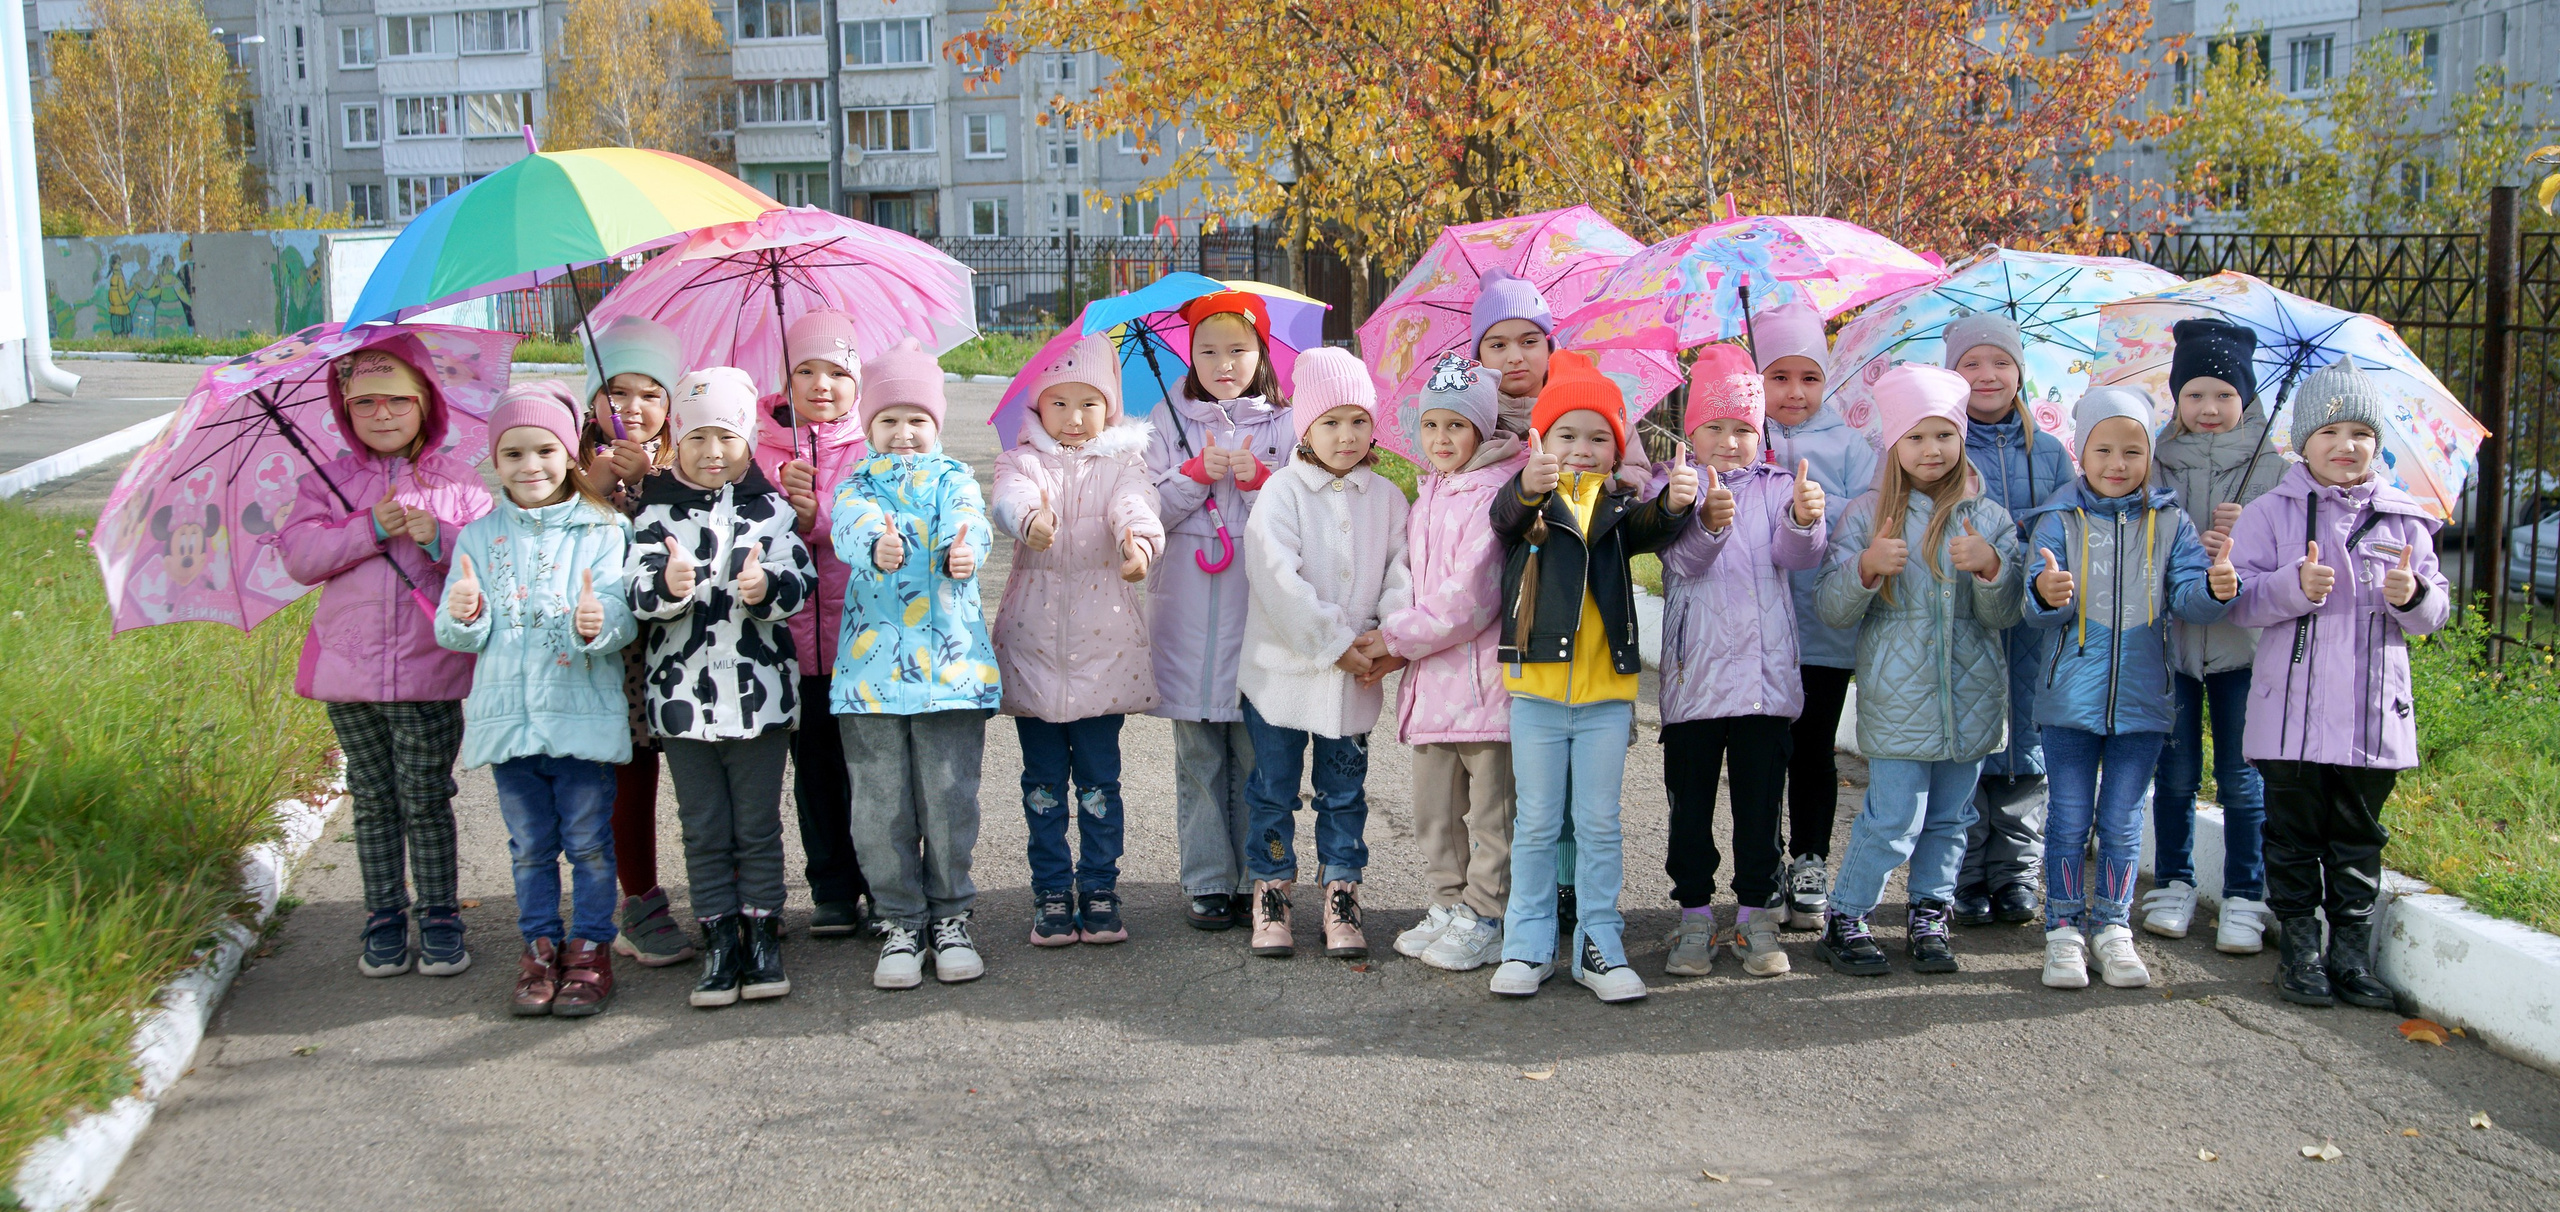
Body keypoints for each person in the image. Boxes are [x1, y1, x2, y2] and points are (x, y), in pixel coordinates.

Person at [2224, 358, 2448, 1009]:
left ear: (2378, 444)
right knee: (2292, 838)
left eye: (2360, 433)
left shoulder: (2406, 520)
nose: (2345, 445)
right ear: (2302, 441)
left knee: (2357, 839)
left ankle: (2350, 956)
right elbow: (2239, 603)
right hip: (2289, 718)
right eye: (2329, 432)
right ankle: (2299, 952)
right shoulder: (2269, 512)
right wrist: (2292, 586)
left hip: (2370, 719)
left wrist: (2413, 596)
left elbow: (2435, 612)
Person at [278, 339, 491, 979]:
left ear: (426, 402)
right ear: (344, 410)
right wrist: (368, 526)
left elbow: (490, 559)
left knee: (426, 796)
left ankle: (440, 914)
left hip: (431, 670)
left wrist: (440, 537)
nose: (383, 414)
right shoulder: (326, 483)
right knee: (372, 799)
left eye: (398, 400)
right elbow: (300, 558)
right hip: (349, 672)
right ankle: (383, 915)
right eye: (364, 402)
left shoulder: (458, 482)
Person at [1487, 353, 1697, 1001]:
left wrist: (1675, 504)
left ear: (1617, 448)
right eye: (1567, 434)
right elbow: (1501, 518)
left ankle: (1598, 944)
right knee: (1536, 823)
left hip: (1607, 697)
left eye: (1599, 437)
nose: (1583, 448)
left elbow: (1651, 528)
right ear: (1541, 439)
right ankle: (1526, 943)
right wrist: (1528, 486)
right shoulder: (1532, 504)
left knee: (1600, 823)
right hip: (1537, 696)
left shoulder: (1617, 508)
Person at [1813, 364, 2025, 977]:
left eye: (1944, 435)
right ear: (1894, 444)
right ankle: (1847, 914)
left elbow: (2004, 615)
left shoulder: (1988, 518)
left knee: (1953, 819)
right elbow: (1831, 609)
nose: (1932, 450)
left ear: (1962, 438)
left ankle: (1930, 913)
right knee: (1893, 818)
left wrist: (1991, 568)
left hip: (1972, 699)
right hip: (1897, 699)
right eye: (1916, 437)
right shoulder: (1866, 515)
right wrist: (1866, 567)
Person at [2020, 387, 2236, 990]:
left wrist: (2216, 590)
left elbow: (2188, 597)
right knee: (2068, 818)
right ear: (2080, 452)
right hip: (2067, 702)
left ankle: (2112, 927)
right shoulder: (2058, 520)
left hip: (2144, 704)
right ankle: (2063, 929)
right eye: (2104, 450)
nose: (2118, 464)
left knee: (2120, 821)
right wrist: (2044, 593)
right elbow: (2032, 603)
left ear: (2150, 456)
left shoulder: (2172, 523)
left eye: (2133, 451)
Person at [434, 382, 638, 1017]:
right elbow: (456, 633)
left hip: (580, 720)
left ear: (570, 454)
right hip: (509, 726)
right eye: (513, 453)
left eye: (545, 450)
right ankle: (540, 947)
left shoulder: (604, 528)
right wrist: (464, 613)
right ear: (495, 462)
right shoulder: (478, 538)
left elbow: (622, 615)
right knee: (528, 849)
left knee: (589, 844)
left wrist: (598, 622)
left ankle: (591, 946)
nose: (530, 466)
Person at [628, 367, 816, 1008]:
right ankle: (717, 938)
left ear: (750, 441)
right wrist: (666, 588)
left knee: (758, 825)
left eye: (728, 438)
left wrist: (768, 590)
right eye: (698, 437)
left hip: (760, 699)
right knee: (703, 826)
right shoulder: (653, 514)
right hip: (682, 703)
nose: (713, 452)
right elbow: (635, 590)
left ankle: (761, 933)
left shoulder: (771, 510)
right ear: (676, 439)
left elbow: (799, 581)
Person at [830, 339, 1002, 990]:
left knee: (950, 802)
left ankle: (951, 915)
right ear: (868, 426)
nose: (903, 433)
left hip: (950, 676)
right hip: (871, 681)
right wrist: (874, 544)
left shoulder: (955, 478)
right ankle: (899, 920)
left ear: (937, 423)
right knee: (880, 809)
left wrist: (968, 550)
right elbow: (847, 526)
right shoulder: (857, 484)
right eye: (888, 420)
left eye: (917, 420)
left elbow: (972, 522)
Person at [1236, 347, 1414, 960]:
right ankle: (1272, 890)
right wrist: (1333, 643)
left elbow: (1402, 573)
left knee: (1344, 793)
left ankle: (1342, 891)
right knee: (1272, 791)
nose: (1347, 435)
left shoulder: (1386, 498)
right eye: (1331, 422)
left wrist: (1387, 636)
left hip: (1354, 681)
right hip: (1279, 680)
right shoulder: (1282, 492)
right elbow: (1276, 578)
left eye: (1359, 421)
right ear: (1305, 428)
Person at [1657, 345, 1828, 980]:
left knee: (1760, 810)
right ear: (1691, 432)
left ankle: (1755, 915)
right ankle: (1694, 915)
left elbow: (1797, 557)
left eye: (1743, 429)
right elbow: (1681, 562)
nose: (1730, 442)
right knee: (1690, 811)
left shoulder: (1781, 487)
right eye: (1715, 427)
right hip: (1694, 684)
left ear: (1760, 434)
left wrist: (1805, 520)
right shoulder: (1673, 488)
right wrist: (1702, 520)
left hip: (1764, 683)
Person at [990, 334, 1164, 946]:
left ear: (1109, 407)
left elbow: (1136, 505)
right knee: (1041, 783)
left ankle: (1099, 886)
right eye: (1058, 403)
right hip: (1033, 643)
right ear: (1038, 406)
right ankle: (1050, 891)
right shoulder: (1020, 461)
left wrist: (1139, 545)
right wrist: (1028, 519)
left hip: (1101, 646)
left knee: (1098, 782)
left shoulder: (1124, 463)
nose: (1073, 418)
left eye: (1089, 403)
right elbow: (1007, 499)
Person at [1142, 292, 1296, 931]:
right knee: (1198, 753)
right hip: (1186, 605)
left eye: (1237, 350)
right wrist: (1191, 474)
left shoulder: (1286, 424)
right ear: (1190, 356)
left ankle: (1258, 877)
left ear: (1261, 353)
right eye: (1207, 351)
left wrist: (1261, 480)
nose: (1222, 363)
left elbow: (1300, 513)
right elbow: (1145, 508)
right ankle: (1208, 880)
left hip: (1255, 606)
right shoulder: (1165, 417)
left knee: (1256, 753)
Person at [1379, 354, 1528, 972]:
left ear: (1482, 429)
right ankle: (1448, 902)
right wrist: (1391, 622)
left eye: (1456, 426)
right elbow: (1404, 575)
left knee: (1492, 815)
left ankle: (1487, 912)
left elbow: (1471, 598)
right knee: (1434, 813)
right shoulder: (1429, 493)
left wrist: (1395, 639)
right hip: (1430, 685)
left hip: (1484, 686)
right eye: (1431, 425)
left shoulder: (1493, 495)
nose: (1441, 439)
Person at [2145, 318, 2285, 952]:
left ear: (2246, 399)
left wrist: (2246, 532)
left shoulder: (2274, 471)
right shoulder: (2154, 461)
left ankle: (2244, 895)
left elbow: (2290, 560)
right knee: (2174, 773)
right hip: (2173, 646)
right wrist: (2184, 541)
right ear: (2176, 397)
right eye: (2194, 393)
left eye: (2225, 395)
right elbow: (2138, 543)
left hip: (2243, 649)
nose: (2208, 407)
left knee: (2241, 776)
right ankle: (2174, 881)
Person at [1944, 312, 2077, 927]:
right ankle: (1965, 871)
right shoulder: (1943, 445)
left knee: (2027, 744)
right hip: (1968, 617)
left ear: (2020, 372)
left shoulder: (2047, 452)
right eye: (1971, 363)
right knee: (1969, 741)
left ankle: (2015, 873)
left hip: (2032, 624)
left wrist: (2031, 548)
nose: (1987, 374)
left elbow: (2070, 526)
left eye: (2001, 362)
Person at [575, 315, 697, 970]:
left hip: (681, 650)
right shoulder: (571, 471)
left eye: (650, 394)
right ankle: (640, 902)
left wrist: (653, 484)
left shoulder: (684, 463)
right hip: (613, 659)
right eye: (616, 392)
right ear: (593, 402)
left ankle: (726, 890)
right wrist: (595, 492)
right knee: (630, 776)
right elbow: (551, 539)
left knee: (702, 774)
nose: (633, 407)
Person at [752, 311, 876, 940]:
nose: (822, 385)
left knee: (872, 769)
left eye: (838, 372)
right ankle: (831, 886)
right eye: (806, 371)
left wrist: (817, 512)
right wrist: (782, 505)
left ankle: (883, 880)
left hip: (865, 640)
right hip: (792, 645)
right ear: (786, 379)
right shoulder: (759, 448)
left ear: (858, 382)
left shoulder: (873, 444)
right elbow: (744, 531)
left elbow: (871, 521)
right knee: (815, 768)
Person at [1755, 302, 1876, 929]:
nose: (1795, 392)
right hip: (1760, 629)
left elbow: (1870, 511)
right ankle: (1765, 860)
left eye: (1809, 377)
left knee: (1813, 749)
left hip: (1824, 627)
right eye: (1778, 377)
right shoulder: (1745, 435)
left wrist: (1820, 502)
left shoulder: (1850, 444)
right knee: (1763, 752)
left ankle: (1810, 857)